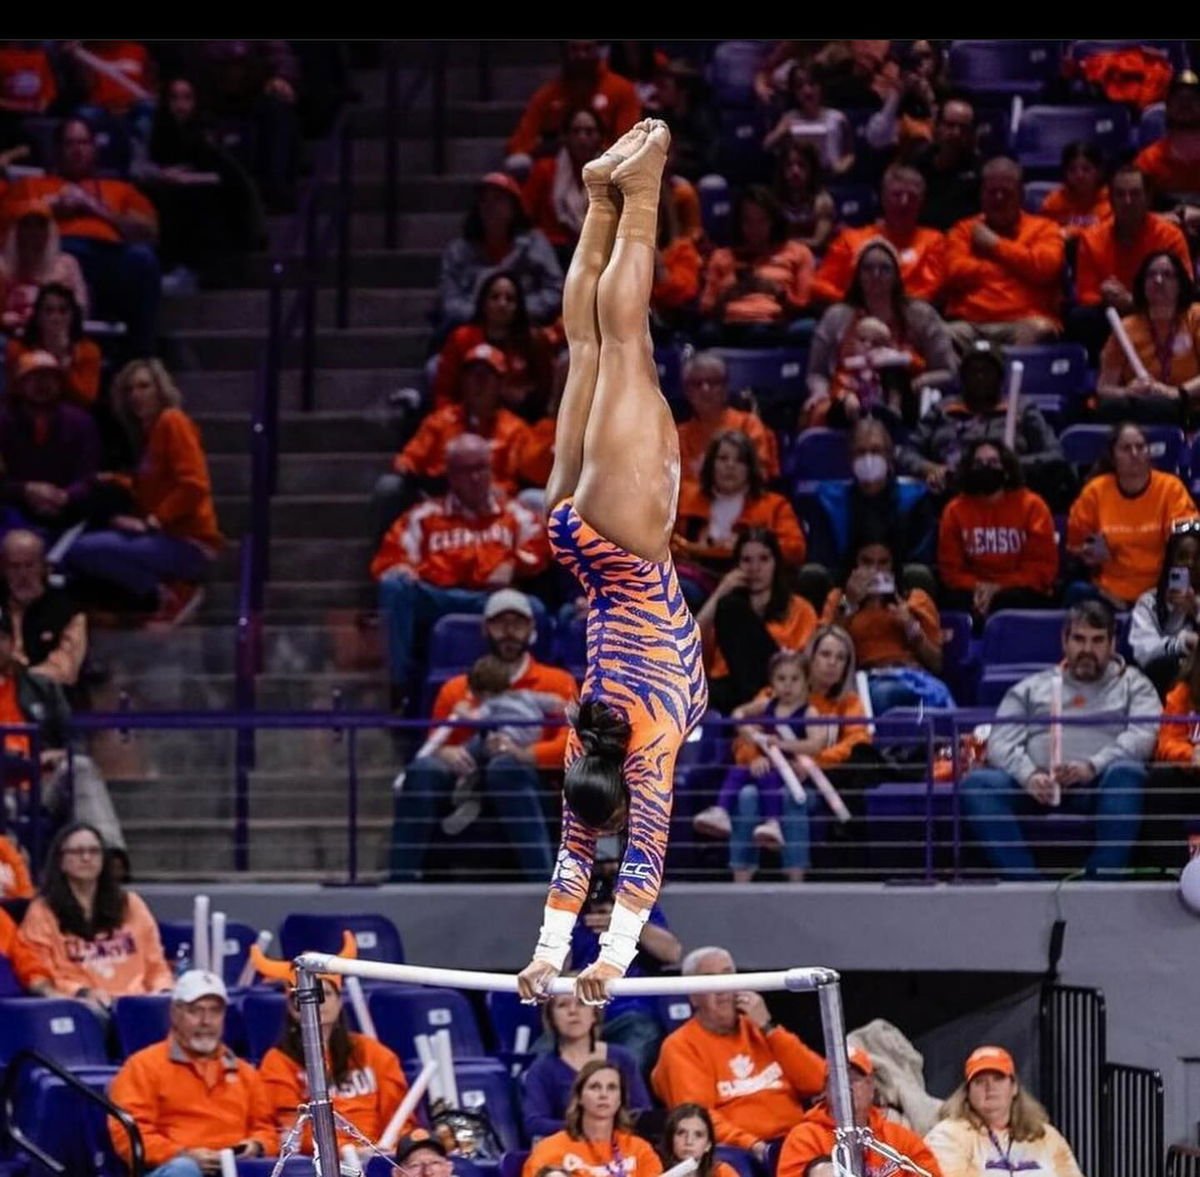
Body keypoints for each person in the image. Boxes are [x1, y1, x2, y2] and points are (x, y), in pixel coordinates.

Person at [514, 121, 709, 1004]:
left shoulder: (649, 748)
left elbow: (644, 858)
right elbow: (575, 854)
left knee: (625, 345)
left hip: (628, 547)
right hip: (571, 543)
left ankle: (644, 184)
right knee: (587, 348)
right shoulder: (586, 749)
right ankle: (598, 197)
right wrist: (548, 960)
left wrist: (606, 960)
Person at [960, 601, 1160, 878]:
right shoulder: (1032, 687)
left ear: (1113, 644)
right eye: (1079, 639)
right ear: (1064, 641)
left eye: (1098, 640)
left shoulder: (1135, 685)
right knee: (978, 785)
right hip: (1037, 786)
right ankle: (1027, 885)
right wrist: (1028, 775)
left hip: (1099, 785)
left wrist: (1092, 766)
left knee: (1128, 772)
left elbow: (1144, 736)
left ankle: (1100, 882)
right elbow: (1001, 742)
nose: (1087, 650)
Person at [389, 588, 574, 882]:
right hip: (465, 774)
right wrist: (445, 753)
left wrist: (525, 754)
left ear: (531, 629)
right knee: (422, 770)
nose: (509, 633)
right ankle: (400, 882)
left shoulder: (557, 683)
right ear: (486, 629)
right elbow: (436, 741)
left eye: (517, 624)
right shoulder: (456, 687)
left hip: (525, 775)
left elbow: (572, 743)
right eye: (500, 624)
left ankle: (543, 884)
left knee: (504, 767)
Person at [372, 434, 550, 693]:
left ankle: (537, 685)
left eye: (481, 468)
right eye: (467, 470)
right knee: (394, 586)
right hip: (438, 597)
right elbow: (390, 558)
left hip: (492, 599)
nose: (476, 478)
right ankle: (400, 689)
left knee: (535, 609)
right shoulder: (425, 516)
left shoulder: (512, 513)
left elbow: (542, 543)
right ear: (451, 475)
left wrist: (514, 561)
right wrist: (403, 568)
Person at [699, 634, 869, 880]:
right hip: (767, 774)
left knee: (792, 798)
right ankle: (740, 879)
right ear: (810, 659)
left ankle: (795, 881)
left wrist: (807, 764)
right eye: (825, 655)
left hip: (813, 782)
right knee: (747, 795)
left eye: (841, 658)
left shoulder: (848, 703)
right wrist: (753, 758)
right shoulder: (774, 694)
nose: (832, 663)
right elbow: (745, 736)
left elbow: (856, 744)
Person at [64, 359, 222, 621]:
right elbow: (152, 482)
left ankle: (171, 592)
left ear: (160, 390)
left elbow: (194, 485)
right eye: (129, 390)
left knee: (82, 550)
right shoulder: (149, 433)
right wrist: (117, 480)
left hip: (188, 540)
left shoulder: (173, 421)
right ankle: (167, 593)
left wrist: (154, 520)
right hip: (168, 536)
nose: (136, 395)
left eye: (144, 387)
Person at [651, 946, 826, 1156]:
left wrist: (769, 1028)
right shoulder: (680, 1046)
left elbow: (819, 1082)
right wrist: (755, 1147)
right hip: (740, 1152)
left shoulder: (760, 1028)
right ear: (693, 996)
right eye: (709, 980)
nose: (723, 988)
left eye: (728, 976)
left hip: (796, 1142)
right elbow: (697, 1119)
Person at [7, 117, 160, 356]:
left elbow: (149, 231)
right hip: (55, 256)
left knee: (143, 259)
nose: (77, 150)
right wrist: (51, 207)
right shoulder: (32, 185)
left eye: (84, 143)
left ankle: (141, 357)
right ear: (57, 150)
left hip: (110, 258)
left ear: (94, 148)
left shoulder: (119, 189)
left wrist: (95, 209)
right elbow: (9, 222)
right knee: (71, 255)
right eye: (70, 144)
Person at [108, 969, 277, 1175]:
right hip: (174, 1168)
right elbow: (128, 1134)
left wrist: (257, 1146)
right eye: (196, 1011)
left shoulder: (245, 1072)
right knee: (185, 1170)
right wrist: (181, 1154)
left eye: (215, 1011)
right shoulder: (143, 1066)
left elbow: (267, 1129)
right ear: (175, 1013)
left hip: (235, 1168)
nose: (206, 1021)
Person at [255, 940, 414, 1151]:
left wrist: (392, 1149)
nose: (316, 1003)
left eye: (325, 994)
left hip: (378, 1158)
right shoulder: (277, 1062)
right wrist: (343, 1152)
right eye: (305, 996)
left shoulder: (373, 1053)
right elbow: (291, 1130)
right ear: (292, 1007)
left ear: (339, 1002)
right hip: (318, 1163)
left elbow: (400, 1119)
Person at [373, 343, 534, 540]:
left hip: (491, 506)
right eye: (473, 376)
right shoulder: (439, 421)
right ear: (463, 382)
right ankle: (390, 560)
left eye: (486, 377)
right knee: (389, 487)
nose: (478, 383)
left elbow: (518, 480)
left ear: (500, 385)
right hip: (438, 501)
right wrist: (411, 472)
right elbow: (408, 460)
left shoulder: (516, 429)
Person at [897, 341, 1071, 510]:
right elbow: (907, 453)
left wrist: (1010, 465)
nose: (980, 377)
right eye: (973, 371)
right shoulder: (942, 409)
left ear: (1000, 376)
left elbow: (1055, 456)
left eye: (987, 371)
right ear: (963, 377)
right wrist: (930, 468)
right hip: (949, 499)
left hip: (1008, 500)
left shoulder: (1021, 409)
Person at [17, 821, 169, 1012]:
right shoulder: (42, 912)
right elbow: (42, 975)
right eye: (77, 852)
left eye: (94, 851)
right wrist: (81, 993)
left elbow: (156, 965)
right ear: (61, 861)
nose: (87, 857)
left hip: (137, 1003)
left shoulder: (131, 904)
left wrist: (164, 991)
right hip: (83, 1007)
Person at [806, 238, 956, 430]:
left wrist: (917, 383)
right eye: (867, 269)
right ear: (857, 275)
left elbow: (948, 371)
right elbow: (816, 373)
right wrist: (820, 392)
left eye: (884, 269)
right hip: (848, 394)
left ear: (896, 275)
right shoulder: (836, 316)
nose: (876, 275)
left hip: (905, 397)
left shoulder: (921, 315)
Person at [141, 75, 265, 283]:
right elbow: (145, 166)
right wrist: (163, 175)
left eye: (187, 98)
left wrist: (189, 178)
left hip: (215, 197)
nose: (181, 105)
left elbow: (229, 176)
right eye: (174, 98)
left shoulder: (206, 132)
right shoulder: (158, 132)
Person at [566, 854, 681, 1072]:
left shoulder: (638, 903)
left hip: (630, 1013)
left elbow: (672, 952)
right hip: (580, 1012)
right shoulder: (570, 906)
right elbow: (557, 970)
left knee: (628, 1061)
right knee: (541, 1057)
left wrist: (625, 922)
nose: (606, 869)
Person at [1066, 421, 1197, 610]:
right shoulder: (1095, 492)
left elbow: (1187, 538)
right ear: (1113, 457)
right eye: (1126, 449)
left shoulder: (1170, 488)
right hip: (1109, 594)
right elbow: (1075, 543)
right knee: (1076, 592)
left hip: (1160, 593)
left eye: (1140, 447)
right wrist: (1087, 553)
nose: (1135, 454)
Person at [943, 157, 1065, 349]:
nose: (998, 198)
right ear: (981, 195)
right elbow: (954, 272)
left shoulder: (1045, 228)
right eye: (992, 192)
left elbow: (1046, 268)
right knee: (941, 336)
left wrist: (995, 245)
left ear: (1021, 196)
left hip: (1025, 321)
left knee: (1039, 331)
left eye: (1006, 193)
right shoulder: (964, 230)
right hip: (970, 324)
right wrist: (1018, 267)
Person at [673, 430, 806, 601]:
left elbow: (796, 549)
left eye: (739, 460)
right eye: (723, 459)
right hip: (698, 576)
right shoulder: (685, 498)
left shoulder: (774, 505)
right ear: (710, 464)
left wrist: (752, 545)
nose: (730, 466)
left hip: (754, 577)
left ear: (750, 468)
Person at [698, 527, 819, 714]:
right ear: (736, 566)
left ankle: (758, 703)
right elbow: (690, 640)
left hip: (781, 685)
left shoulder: (800, 608)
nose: (755, 568)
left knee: (731, 607)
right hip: (734, 685)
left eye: (763, 559)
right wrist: (721, 591)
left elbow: (807, 660)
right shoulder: (726, 606)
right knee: (695, 693)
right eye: (746, 560)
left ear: (776, 563)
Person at [937, 440, 1059, 624]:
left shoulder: (1033, 506)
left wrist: (999, 587)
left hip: (1018, 592)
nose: (986, 468)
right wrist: (979, 587)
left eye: (993, 462)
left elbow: (1041, 570)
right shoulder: (955, 510)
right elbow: (950, 571)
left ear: (1007, 470)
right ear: (969, 470)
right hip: (971, 592)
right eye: (979, 464)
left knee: (1015, 600)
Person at [824, 539, 950, 714]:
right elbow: (821, 651)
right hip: (865, 681)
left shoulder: (915, 599)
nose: (875, 570)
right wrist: (850, 603)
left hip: (913, 677)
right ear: (854, 565)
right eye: (867, 562)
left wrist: (911, 627)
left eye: (883, 563)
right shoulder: (839, 600)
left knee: (938, 697)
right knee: (887, 695)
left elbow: (937, 664)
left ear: (893, 566)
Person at [777, 1046, 944, 1177]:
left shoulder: (898, 1137)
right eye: (837, 1080)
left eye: (853, 1079)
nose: (846, 1088)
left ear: (871, 1086)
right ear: (826, 1091)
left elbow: (930, 1173)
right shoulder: (804, 1139)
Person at [808, 418, 937, 583]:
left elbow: (920, 562)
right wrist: (850, 597)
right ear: (850, 459)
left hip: (901, 597)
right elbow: (824, 562)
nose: (868, 459)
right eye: (861, 452)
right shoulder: (828, 502)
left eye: (876, 451)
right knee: (811, 575)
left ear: (889, 456)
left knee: (918, 574)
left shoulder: (916, 501)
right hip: (845, 599)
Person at [924, 1045, 1085, 1176]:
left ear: (1014, 1087)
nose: (990, 1087)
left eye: (998, 1078)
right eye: (980, 1081)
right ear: (967, 1092)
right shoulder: (947, 1135)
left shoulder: (1046, 1137)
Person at [437, 173, 564, 334]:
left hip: (527, 329)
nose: (490, 206)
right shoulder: (458, 252)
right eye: (484, 200)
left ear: (513, 208)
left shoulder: (535, 244)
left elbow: (555, 289)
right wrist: (487, 315)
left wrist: (516, 311)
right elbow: (450, 299)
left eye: (498, 199)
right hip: (471, 331)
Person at [522, 992, 651, 1139]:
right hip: (568, 1150)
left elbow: (642, 1113)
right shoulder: (541, 1069)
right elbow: (534, 1123)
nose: (573, 1011)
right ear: (552, 1019)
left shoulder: (622, 1059)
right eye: (563, 1005)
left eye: (581, 1004)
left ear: (594, 1014)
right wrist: (586, 1126)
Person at [810, 166, 947, 304]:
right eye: (897, 195)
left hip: (910, 315)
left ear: (921, 203)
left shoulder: (933, 240)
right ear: (883, 198)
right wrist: (854, 303)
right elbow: (820, 285)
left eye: (912, 197)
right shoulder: (850, 239)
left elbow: (934, 288)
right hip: (855, 313)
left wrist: (894, 307)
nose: (904, 202)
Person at [0, 349, 100, 535]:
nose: (42, 384)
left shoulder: (81, 422)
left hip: (69, 513)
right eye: (34, 377)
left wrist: (65, 496)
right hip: (13, 510)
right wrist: (26, 490)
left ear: (61, 383)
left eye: (49, 377)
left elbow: (88, 477)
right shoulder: (3, 421)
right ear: (19, 384)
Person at [698, 185, 815, 344]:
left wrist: (776, 292)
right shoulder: (722, 257)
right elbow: (706, 309)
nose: (754, 229)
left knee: (763, 334)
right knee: (706, 334)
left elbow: (803, 306)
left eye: (761, 221)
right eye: (748, 221)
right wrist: (728, 295)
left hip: (772, 325)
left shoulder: (798, 253)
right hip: (729, 326)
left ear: (773, 221)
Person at [1074, 165, 1192, 322]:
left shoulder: (1169, 236)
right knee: (1080, 317)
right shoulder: (1091, 239)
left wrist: (1134, 301)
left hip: (1160, 314)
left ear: (1148, 198)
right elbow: (1086, 295)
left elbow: (1185, 288)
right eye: (1120, 194)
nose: (1127, 201)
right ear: (1111, 199)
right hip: (1110, 316)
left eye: (1135, 194)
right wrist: (1105, 296)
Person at [1096, 251, 1200, 423]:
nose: (1158, 281)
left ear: (1180, 283)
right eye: (1151, 275)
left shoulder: (1196, 316)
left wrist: (1176, 393)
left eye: (1167, 275)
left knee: (1164, 408)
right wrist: (1128, 392)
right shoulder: (1126, 327)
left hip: (1189, 405)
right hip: (1143, 407)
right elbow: (1104, 388)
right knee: (1110, 408)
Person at [507, 41, 642, 172]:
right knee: (518, 163)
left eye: (587, 49)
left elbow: (629, 142)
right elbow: (519, 144)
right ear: (564, 52)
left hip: (607, 163)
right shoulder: (547, 95)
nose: (581, 56)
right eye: (575, 50)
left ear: (598, 51)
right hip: (559, 166)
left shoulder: (622, 90)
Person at [431, 270, 555, 414]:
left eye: (510, 299)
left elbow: (546, 389)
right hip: (465, 421)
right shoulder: (461, 338)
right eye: (495, 297)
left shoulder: (534, 340)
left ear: (518, 306)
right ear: (483, 303)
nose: (502, 303)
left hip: (521, 423)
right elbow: (444, 392)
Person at [523, 1059, 663, 1177]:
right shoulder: (550, 1150)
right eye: (595, 1087)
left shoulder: (640, 1150)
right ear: (579, 1098)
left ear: (620, 1099)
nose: (603, 1094)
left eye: (612, 1088)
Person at [676, 352, 780, 488]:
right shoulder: (678, 436)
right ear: (687, 392)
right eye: (697, 384)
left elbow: (761, 473)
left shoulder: (749, 425)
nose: (705, 389)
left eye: (713, 382)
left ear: (725, 389)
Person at [1, 529, 86, 687]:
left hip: (49, 699)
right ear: (3, 569)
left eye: (30, 565)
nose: (23, 574)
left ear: (44, 567)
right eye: (14, 566)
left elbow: (65, 670)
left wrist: (19, 679)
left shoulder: (67, 609)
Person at [524, 106, 606, 259]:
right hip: (553, 252)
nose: (582, 138)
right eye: (575, 132)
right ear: (565, 137)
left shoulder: (613, 175)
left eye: (589, 132)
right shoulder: (545, 170)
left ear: (600, 137)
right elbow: (525, 218)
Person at [6, 281, 101, 409]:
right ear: (38, 316)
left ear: (73, 316)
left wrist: (62, 360)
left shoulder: (89, 350)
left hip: (70, 416)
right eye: (49, 311)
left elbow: (86, 398)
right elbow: (14, 393)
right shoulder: (17, 348)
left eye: (63, 311)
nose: (55, 318)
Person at [1130, 520, 1200, 694]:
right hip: (1159, 684)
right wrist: (1182, 643)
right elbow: (1145, 654)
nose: (1190, 564)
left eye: (1198, 557)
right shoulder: (1149, 602)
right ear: (1171, 561)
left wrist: (1196, 611)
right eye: (1183, 556)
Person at [0, 199, 89, 331]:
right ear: (16, 230)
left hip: (57, 335)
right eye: (27, 225)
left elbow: (80, 307)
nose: (33, 231)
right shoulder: (2, 266)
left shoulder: (67, 265)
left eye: (40, 225)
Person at [763, 64, 854, 176]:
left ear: (821, 86)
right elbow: (767, 146)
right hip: (799, 179)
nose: (807, 91)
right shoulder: (789, 117)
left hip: (833, 177)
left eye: (812, 84)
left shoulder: (838, 117)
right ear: (794, 92)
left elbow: (850, 153)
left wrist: (842, 166)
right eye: (800, 86)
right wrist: (780, 132)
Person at [914, 99, 982, 231]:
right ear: (937, 127)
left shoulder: (981, 170)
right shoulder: (917, 164)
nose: (956, 133)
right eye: (950, 125)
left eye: (963, 128)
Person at [1134, 71, 1200, 206]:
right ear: (1167, 107)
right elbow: (1135, 211)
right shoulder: (1148, 161)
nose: (1185, 104)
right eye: (1179, 99)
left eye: (1193, 99)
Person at [772, 141, 836, 255]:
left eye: (801, 165)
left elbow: (818, 243)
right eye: (789, 165)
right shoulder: (774, 201)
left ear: (811, 169)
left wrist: (785, 244)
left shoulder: (822, 201)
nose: (795, 171)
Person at [1039, 141, 1112, 237]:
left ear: (1099, 172)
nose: (1079, 176)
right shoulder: (1053, 202)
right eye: (1072, 170)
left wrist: (1073, 231)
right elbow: (1043, 234)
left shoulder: (1112, 200)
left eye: (1086, 169)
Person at [661, 1104, 740, 1177]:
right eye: (681, 1133)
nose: (689, 1141)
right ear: (671, 1139)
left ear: (708, 1145)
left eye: (698, 1135)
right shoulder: (655, 1170)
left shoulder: (721, 1172)